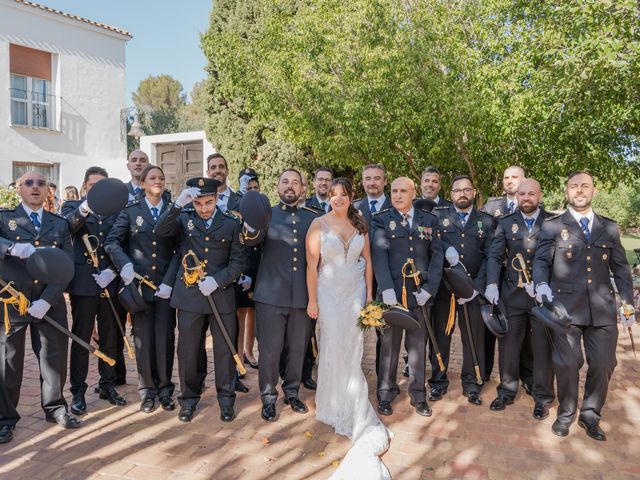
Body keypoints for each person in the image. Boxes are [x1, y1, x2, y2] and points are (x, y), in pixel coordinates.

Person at [533, 171, 635, 441]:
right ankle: (566, 413)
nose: (579, 190)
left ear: (594, 191)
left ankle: (590, 414)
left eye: (585, 186)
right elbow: (541, 261)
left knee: (603, 363)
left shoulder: (609, 228)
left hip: (601, 309)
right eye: (574, 186)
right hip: (565, 308)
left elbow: (621, 269)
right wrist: (541, 285)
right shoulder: (554, 226)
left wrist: (627, 303)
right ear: (567, 191)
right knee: (566, 363)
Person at [307, 178, 391, 479]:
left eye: (343, 195)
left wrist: (369, 295)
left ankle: (351, 399)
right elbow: (311, 265)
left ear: (351, 197)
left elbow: (367, 262)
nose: (338, 199)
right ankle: (332, 402)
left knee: (354, 347)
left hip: (355, 293)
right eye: (333, 195)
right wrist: (312, 301)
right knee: (332, 344)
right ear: (328, 198)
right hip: (328, 294)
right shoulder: (318, 224)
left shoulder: (360, 223)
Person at [154, 177, 246, 423]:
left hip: (220, 295)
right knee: (188, 351)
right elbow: (160, 231)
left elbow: (238, 262)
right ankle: (188, 400)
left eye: (208, 203)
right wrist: (176, 206)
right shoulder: (184, 218)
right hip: (189, 296)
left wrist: (217, 280)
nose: (203, 209)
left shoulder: (231, 223)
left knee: (224, 350)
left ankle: (226, 400)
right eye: (198, 204)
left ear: (216, 199)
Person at [0, 171, 80, 444]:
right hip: (13, 302)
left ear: (48, 190)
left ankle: (56, 407)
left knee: (53, 358)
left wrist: (47, 299)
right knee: (8, 361)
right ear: (18, 189)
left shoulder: (59, 224)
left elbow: (67, 266)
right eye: (29, 183)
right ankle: (5, 418)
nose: (35, 187)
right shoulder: (4, 218)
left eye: (41, 183)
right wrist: (10, 248)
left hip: (49, 302)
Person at [104, 165, 179, 413]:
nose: (157, 181)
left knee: (166, 339)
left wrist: (169, 281)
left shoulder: (174, 211)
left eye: (161, 177)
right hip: (139, 288)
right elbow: (112, 242)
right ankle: (147, 391)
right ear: (144, 184)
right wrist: (124, 264)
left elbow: (180, 250)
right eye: (152, 178)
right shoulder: (131, 211)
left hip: (165, 288)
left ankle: (166, 389)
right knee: (143, 340)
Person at [247, 169, 321, 422]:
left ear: (303, 189)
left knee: (297, 349)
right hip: (270, 295)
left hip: (302, 296)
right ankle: (268, 398)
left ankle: (292, 392)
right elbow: (249, 244)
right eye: (285, 182)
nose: (290, 186)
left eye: (295, 183)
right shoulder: (266, 216)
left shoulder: (314, 218)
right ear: (277, 186)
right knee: (269, 350)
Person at [371, 177, 444, 417]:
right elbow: (379, 256)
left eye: (403, 191)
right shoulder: (381, 219)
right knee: (389, 347)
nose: (398, 195)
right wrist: (386, 288)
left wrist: (429, 289)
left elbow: (436, 257)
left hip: (419, 295)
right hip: (392, 295)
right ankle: (385, 393)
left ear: (414, 193)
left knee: (417, 346)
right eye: (394, 191)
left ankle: (418, 394)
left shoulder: (429, 220)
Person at [485, 178, 555, 419]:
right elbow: (494, 255)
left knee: (541, 348)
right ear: (517, 197)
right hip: (512, 293)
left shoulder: (552, 221)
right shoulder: (506, 222)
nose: (526, 198)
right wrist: (492, 283)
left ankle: (542, 396)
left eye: (531, 194)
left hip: (540, 297)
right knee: (509, 345)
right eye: (522, 194)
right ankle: (506, 391)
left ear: (540, 195)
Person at [63, 167, 127, 415]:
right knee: (81, 338)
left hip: (109, 281)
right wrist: (86, 206)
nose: (98, 191)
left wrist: (112, 270)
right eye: (93, 186)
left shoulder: (117, 211)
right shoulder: (72, 207)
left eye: (103, 186)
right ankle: (78, 391)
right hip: (84, 284)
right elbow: (68, 228)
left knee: (110, 338)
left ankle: (107, 384)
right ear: (84, 187)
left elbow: (122, 242)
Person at [433, 175, 496, 406]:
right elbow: (432, 246)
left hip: (473, 291)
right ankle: (438, 382)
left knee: (473, 338)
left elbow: (491, 256)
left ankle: (472, 384)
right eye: (457, 190)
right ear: (451, 194)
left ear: (474, 192)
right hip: (445, 289)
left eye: (466, 190)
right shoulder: (439, 217)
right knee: (441, 337)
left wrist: (476, 287)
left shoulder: (487, 221)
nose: (462, 194)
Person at [481, 165, 532, 388]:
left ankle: (525, 375)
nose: (510, 181)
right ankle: (484, 372)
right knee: (490, 327)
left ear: (524, 180)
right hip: (493, 273)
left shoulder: (531, 205)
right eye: (506, 177)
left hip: (518, 277)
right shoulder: (492, 206)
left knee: (521, 329)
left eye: (515, 177)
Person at [236, 169, 260, 370]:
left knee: (252, 310)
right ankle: (238, 357)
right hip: (241, 265)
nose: (251, 190)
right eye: (247, 186)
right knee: (240, 311)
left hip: (257, 263)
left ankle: (249, 351)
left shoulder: (262, 203)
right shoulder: (236, 204)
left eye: (255, 187)